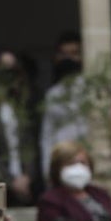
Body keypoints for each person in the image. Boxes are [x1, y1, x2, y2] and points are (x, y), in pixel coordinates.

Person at [0, 50, 36, 205]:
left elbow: (31, 144)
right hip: (0, 180)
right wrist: (9, 180)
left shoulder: (25, 105)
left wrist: (28, 176)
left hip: (26, 180)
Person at [39, 30, 87, 181]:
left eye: (74, 53)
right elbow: (47, 135)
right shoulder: (53, 94)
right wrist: (48, 169)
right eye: (64, 54)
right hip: (61, 164)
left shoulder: (92, 91)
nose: (69, 59)